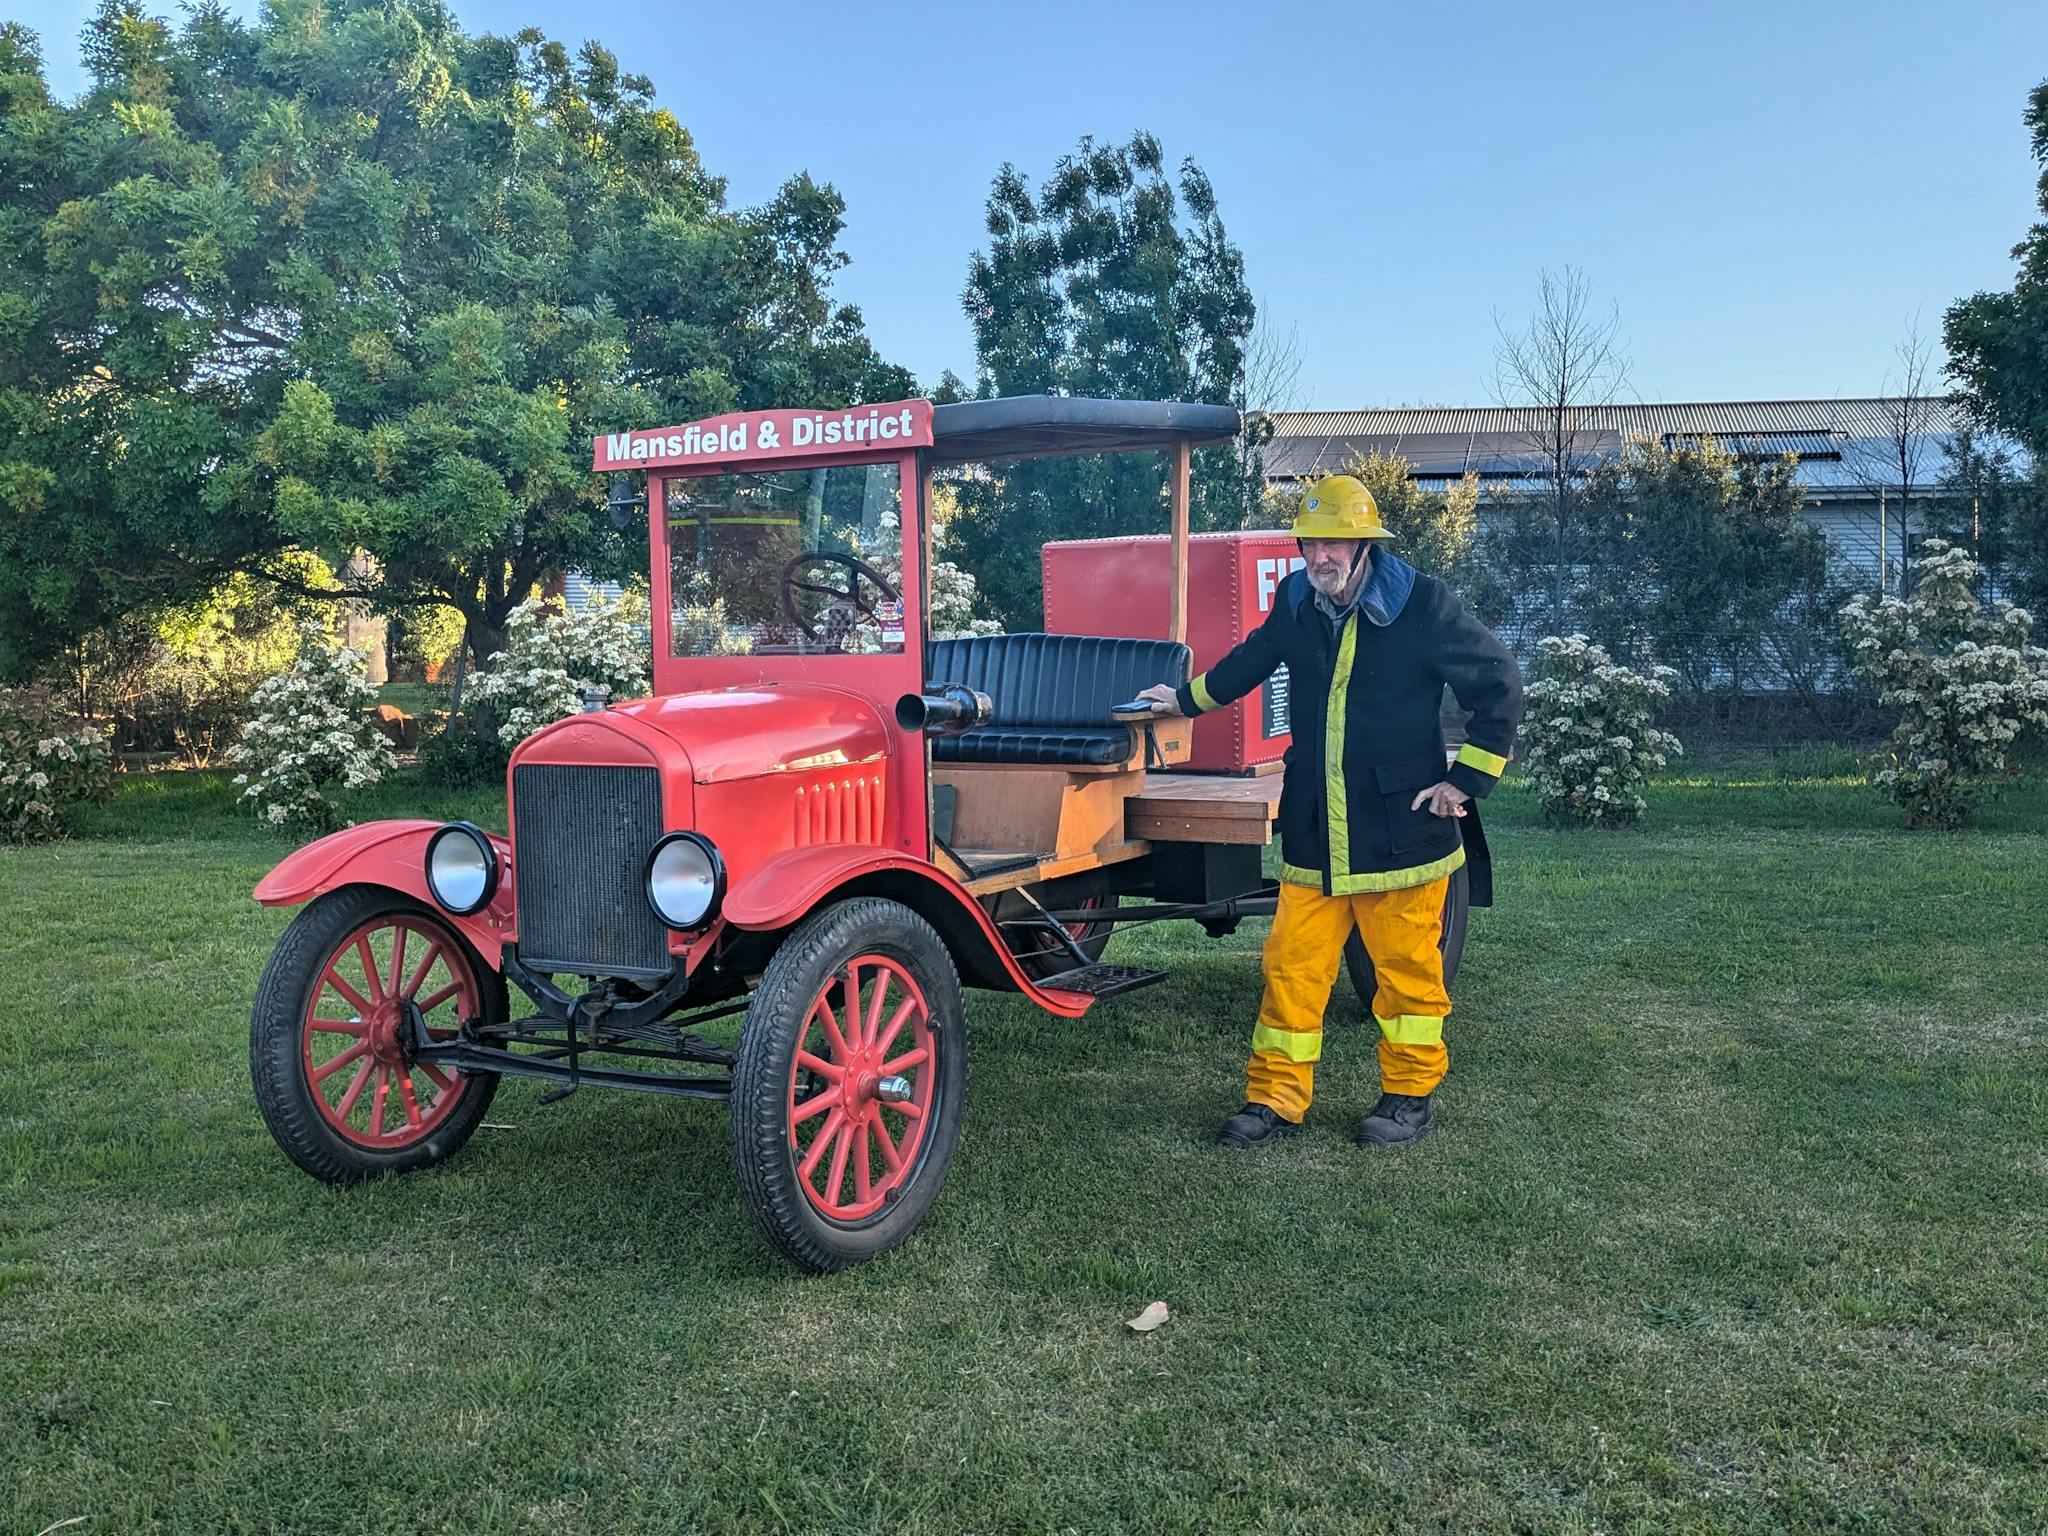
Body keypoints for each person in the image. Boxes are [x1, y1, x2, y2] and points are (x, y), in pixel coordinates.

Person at [1137, 474, 1523, 1150]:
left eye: (1336, 542)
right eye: (1312, 540)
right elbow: (1250, 662)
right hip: (1315, 832)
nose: (1322, 555)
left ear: (1364, 545)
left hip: (1401, 832)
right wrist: (1184, 700)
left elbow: (1500, 685)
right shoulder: (1295, 602)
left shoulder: (1422, 605)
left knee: (1407, 978)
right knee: (1292, 972)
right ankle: (1274, 1100)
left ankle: (1408, 1098)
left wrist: (1465, 781)